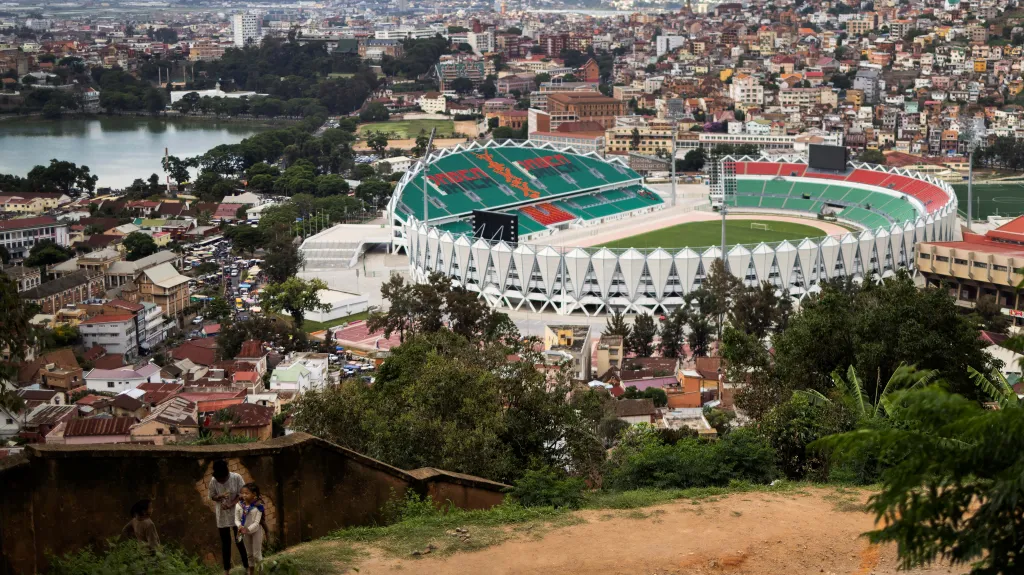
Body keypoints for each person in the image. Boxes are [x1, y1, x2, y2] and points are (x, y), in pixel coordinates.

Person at [208, 460, 248, 575]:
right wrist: (219, 497)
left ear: (226, 474)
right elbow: (212, 496)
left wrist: (231, 504)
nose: (220, 482)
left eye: (222, 479)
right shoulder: (213, 481)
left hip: (237, 514)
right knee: (225, 544)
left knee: (240, 541)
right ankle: (227, 571)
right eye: (219, 480)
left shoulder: (236, 478)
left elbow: (243, 494)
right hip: (222, 516)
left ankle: (247, 567)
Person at [235, 483, 265, 575]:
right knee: (249, 554)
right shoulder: (239, 505)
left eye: (247, 493)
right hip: (244, 532)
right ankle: (251, 571)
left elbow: (256, 523)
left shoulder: (258, 506)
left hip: (256, 531)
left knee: (257, 554)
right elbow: (236, 519)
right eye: (242, 493)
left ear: (254, 494)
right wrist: (239, 526)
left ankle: (261, 572)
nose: (244, 495)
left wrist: (247, 529)